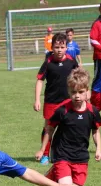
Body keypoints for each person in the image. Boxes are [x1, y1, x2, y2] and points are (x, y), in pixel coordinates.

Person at [35, 68, 101, 186]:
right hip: (62, 154)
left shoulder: (93, 112)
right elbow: (49, 129)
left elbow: (96, 131)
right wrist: (42, 149)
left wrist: (98, 148)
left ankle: (53, 177)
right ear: (68, 91)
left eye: (81, 92)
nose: (77, 96)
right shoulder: (62, 110)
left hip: (81, 158)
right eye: (73, 92)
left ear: (87, 92)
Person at [34, 32, 79, 165]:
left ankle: (65, 153)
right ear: (52, 48)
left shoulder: (71, 61)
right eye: (56, 47)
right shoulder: (48, 62)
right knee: (48, 128)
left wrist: (85, 93)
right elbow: (40, 81)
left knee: (68, 128)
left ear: (66, 47)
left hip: (67, 101)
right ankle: (45, 154)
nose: (59, 50)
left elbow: (79, 77)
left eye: (62, 47)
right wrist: (37, 99)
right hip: (51, 101)